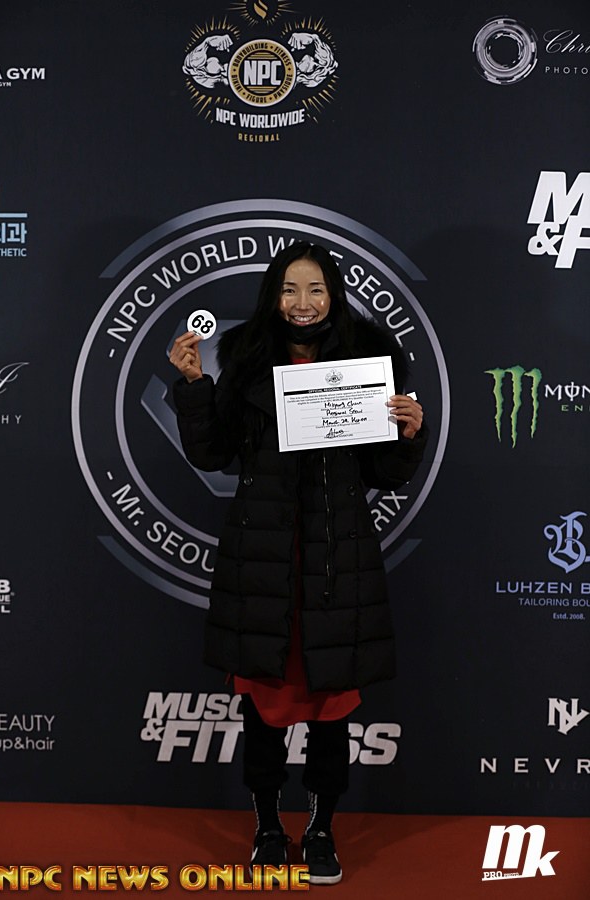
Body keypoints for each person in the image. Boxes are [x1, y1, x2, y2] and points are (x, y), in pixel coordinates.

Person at [169, 242, 426, 885]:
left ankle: (320, 830)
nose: (302, 304)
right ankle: (265, 827)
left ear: (333, 295)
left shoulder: (369, 360)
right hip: (264, 563)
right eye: (289, 289)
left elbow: (384, 471)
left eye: (315, 290)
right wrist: (195, 387)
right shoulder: (245, 357)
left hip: (336, 563)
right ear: (273, 296)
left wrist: (407, 432)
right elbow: (212, 454)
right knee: (264, 706)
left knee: (331, 708)